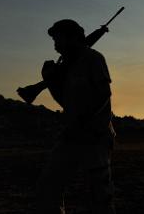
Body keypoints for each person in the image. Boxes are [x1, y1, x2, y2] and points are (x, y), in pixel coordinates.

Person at [36, 19, 116, 214]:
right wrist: (51, 81)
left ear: (73, 37)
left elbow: (103, 94)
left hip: (95, 136)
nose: (55, 43)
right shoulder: (66, 66)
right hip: (71, 135)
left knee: (99, 196)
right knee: (48, 186)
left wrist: (86, 122)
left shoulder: (93, 58)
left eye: (58, 38)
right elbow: (65, 101)